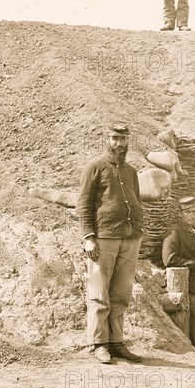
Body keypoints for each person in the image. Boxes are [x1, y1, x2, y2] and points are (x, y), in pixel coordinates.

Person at [76, 123, 144, 364]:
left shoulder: (131, 172)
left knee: (121, 294)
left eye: (123, 139)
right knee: (98, 292)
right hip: (103, 239)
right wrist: (88, 238)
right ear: (107, 139)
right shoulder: (95, 167)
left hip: (129, 239)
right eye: (115, 138)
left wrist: (137, 231)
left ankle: (116, 342)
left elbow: (135, 200)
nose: (119, 144)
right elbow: (83, 204)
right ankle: (99, 343)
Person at [162, 196, 195, 358]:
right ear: (180, 213)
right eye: (187, 212)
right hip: (182, 287)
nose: (191, 215)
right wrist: (192, 264)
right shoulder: (174, 232)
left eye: (194, 212)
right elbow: (168, 259)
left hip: (194, 285)